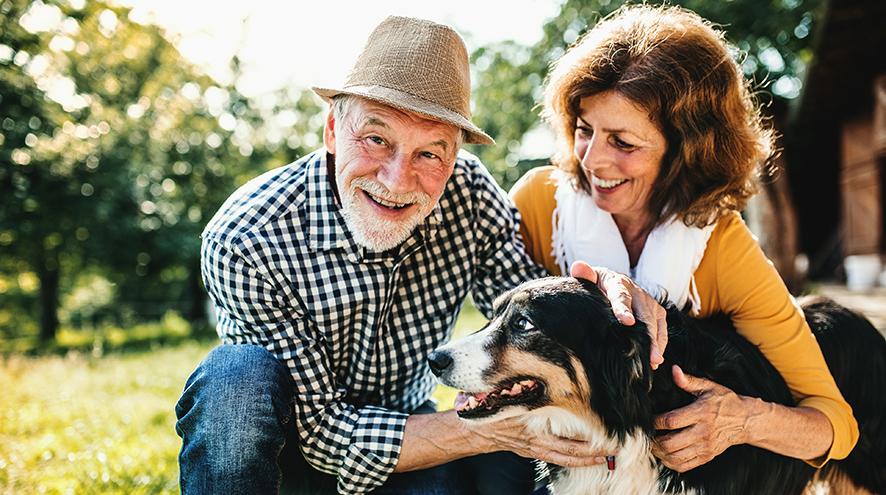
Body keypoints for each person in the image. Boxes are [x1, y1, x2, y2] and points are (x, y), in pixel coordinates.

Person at [175, 15, 667, 495]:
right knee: (232, 382)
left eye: (429, 153)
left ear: (455, 158)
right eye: (376, 138)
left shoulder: (469, 194)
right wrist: (485, 431)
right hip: (286, 457)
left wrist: (609, 298)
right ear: (331, 131)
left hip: (411, 444)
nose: (395, 179)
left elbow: (533, 310)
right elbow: (321, 433)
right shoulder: (247, 237)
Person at [510, 5, 859, 473]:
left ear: (685, 152)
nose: (592, 160)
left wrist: (742, 420)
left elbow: (834, 425)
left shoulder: (724, 249)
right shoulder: (538, 203)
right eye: (584, 130)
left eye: (623, 143)